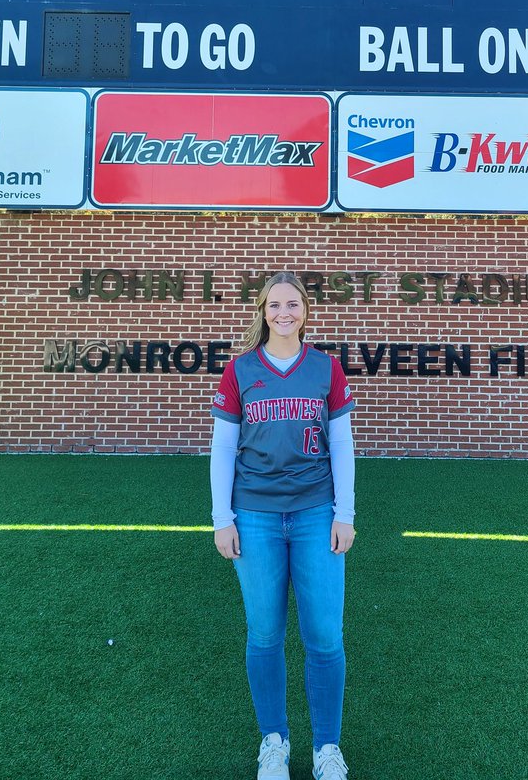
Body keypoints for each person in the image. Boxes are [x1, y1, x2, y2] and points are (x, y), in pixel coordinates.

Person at [210, 271, 356, 780]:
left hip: (316, 512)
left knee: (325, 637)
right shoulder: (240, 370)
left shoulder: (326, 367)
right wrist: (222, 518)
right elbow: (223, 447)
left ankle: (326, 749)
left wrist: (344, 513)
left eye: (292, 304)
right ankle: (274, 742)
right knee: (265, 634)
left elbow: (342, 444)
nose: (284, 313)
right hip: (255, 515)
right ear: (263, 311)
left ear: (306, 310)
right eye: (275, 305)